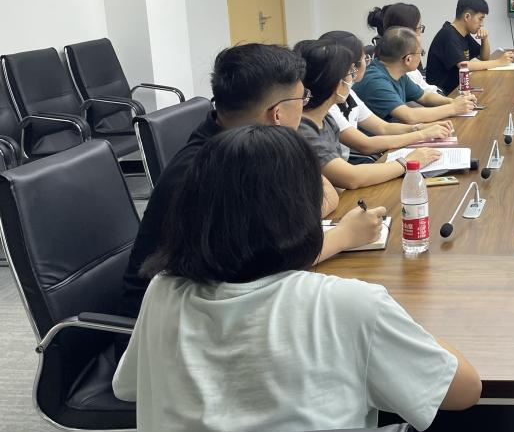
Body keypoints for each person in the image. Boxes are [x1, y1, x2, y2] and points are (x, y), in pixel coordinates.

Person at [114, 125, 481, 432]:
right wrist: (399, 323)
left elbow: (130, 388)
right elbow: (464, 390)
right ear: (300, 209)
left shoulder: (163, 291)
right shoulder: (351, 306)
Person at [117, 44, 381, 319]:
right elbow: (265, 265)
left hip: (218, 300)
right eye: (303, 99)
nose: (305, 107)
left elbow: (325, 196)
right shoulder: (212, 171)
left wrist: (294, 223)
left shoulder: (246, 141)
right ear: (277, 114)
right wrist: (345, 235)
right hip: (169, 320)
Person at [297, 40, 440, 190]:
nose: (353, 78)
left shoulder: (325, 118)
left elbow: (383, 128)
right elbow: (351, 177)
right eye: (350, 73)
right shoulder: (305, 129)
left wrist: (420, 131)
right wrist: (408, 162)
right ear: (337, 84)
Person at [319, 30, 452, 162]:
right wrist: (422, 134)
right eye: (365, 58)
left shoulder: (349, 93)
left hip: (360, 156)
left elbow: (383, 127)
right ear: (351, 67)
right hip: (358, 159)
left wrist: (420, 128)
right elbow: (366, 145)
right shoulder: (331, 103)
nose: (367, 62)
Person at [358, 27, 476, 123]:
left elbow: (424, 97)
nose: (421, 56)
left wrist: (454, 102)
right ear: (408, 59)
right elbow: (410, 116)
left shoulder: (397, 73)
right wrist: (453, 108)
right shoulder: (376, 81)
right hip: (375, 143)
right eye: (421, 52)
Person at [426, 0, 514, 94]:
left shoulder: (464, 34)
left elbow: (484, 57)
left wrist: (484, 39)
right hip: (443, 95)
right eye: (480, 19)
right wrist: (499, 62)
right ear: (467, 16)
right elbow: (465, 65)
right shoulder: (448, 35)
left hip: (458, 89)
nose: (482, 24)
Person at [367, 3, 441, 95]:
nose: (420, 35)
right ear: (405, 33)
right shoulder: (400, 71)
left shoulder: (402, 71)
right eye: (419, 28)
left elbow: (424, 93)